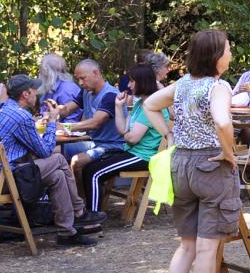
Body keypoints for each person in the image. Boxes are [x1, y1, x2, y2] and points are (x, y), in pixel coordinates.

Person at [143, 30, 240, 271]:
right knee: (207, 248)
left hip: (181, 165)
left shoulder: (183, 84)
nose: (230, 54)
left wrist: (169, 133)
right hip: (211, 165)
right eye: (227, 49)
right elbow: (222, 121)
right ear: (215, 56)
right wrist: (228, 151)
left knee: (187, 246)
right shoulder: (219, 87)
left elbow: (150, 104)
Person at [0, 74, 106, 246]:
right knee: (58, 158)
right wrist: (52, 121)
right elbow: (44, 151)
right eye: (34, 90)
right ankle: (79, 211)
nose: (37, 93)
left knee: (57, 176)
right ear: (26, 94)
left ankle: (66, 232)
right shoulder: (21, 116)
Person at [80, 65, 166, 215]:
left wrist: (127, 135)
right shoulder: (140, 104)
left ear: (142, 82)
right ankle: (90, 213)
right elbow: (123, 131)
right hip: (131, 152)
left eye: (132, 81)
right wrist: (118, 107)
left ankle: (93, 218)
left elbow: (132, 138)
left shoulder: (152, 106)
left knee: (94, 173)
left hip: (143, 157)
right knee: (89, 167)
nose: (128, 85)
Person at [52, 60, 125, 174]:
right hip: (92, 142)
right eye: (78, 79)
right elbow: (67, 109)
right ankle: (67, 190)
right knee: (51, 151)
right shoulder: (87, 91)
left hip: (112, 145)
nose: (80, 83)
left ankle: (82, 192)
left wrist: (63, 127)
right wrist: (53, 112)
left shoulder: (110, 95)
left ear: (96, 73)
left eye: (83, 78)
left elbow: (95, 123)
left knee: (77, 161)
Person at [38, 52, 83, 123]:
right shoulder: (49, 86)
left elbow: (71, 120)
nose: (39, 73)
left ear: (49, 73)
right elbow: (43, 113)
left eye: (41, 70)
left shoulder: (68, 89)